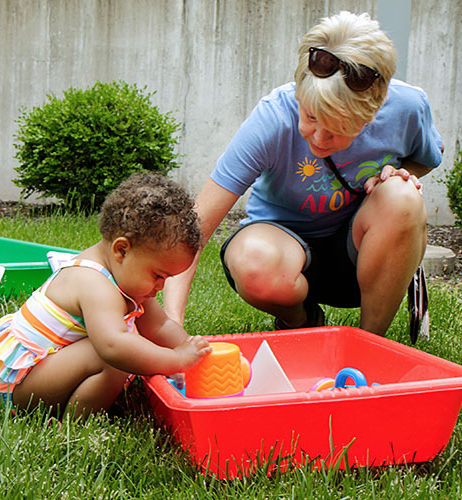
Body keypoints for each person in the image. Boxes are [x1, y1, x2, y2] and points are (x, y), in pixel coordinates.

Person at [164, 11, 443, 337]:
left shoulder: (408, 107)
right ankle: (302, 324)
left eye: (339, 129)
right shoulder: (273, 117)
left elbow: (426, 158)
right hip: (281, 256)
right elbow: (195, 229)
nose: (319, 139)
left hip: (361, 259)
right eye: (311, 117)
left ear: (373, 114)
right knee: (254, 262)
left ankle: (369, 344)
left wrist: (397, 173)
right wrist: (171, 325)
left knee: (402, 195)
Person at [0, 173, 211, 419]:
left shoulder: (127, 276)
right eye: (158, 275)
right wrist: (176, 359)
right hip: (25, 386)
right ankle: (73, 426)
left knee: (130, 348)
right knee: (115, 357)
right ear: (121, 249)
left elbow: (160, 326)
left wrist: (195, 353)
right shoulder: (93, 282)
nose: (161, 286)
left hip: (51, 370)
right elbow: (113, 346)